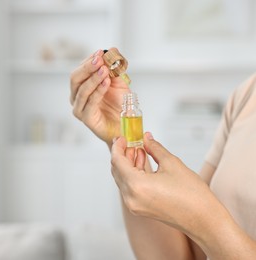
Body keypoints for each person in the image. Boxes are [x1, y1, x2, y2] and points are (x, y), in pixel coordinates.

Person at [69, 47, 256, 259]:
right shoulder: (247, 95)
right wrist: (122, 139)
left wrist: (205, 217)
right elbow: (183, 256)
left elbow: (205, 223)